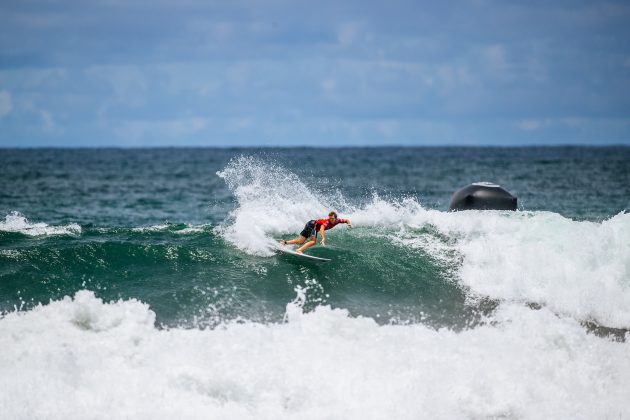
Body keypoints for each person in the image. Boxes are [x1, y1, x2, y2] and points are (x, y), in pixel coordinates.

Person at [281, 211, 352, 254]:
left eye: (332, 218)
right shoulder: (327, 222)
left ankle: (285, 243)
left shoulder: (338, 220)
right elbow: (322, 228)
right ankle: (298, 250)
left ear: (336, 218)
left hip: (309, 223)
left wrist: (349, 224)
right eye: (330, 218)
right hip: (312, 225)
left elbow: (346, 220)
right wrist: (323, 238)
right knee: (313, 241)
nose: (331, 220)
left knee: (300, 241)